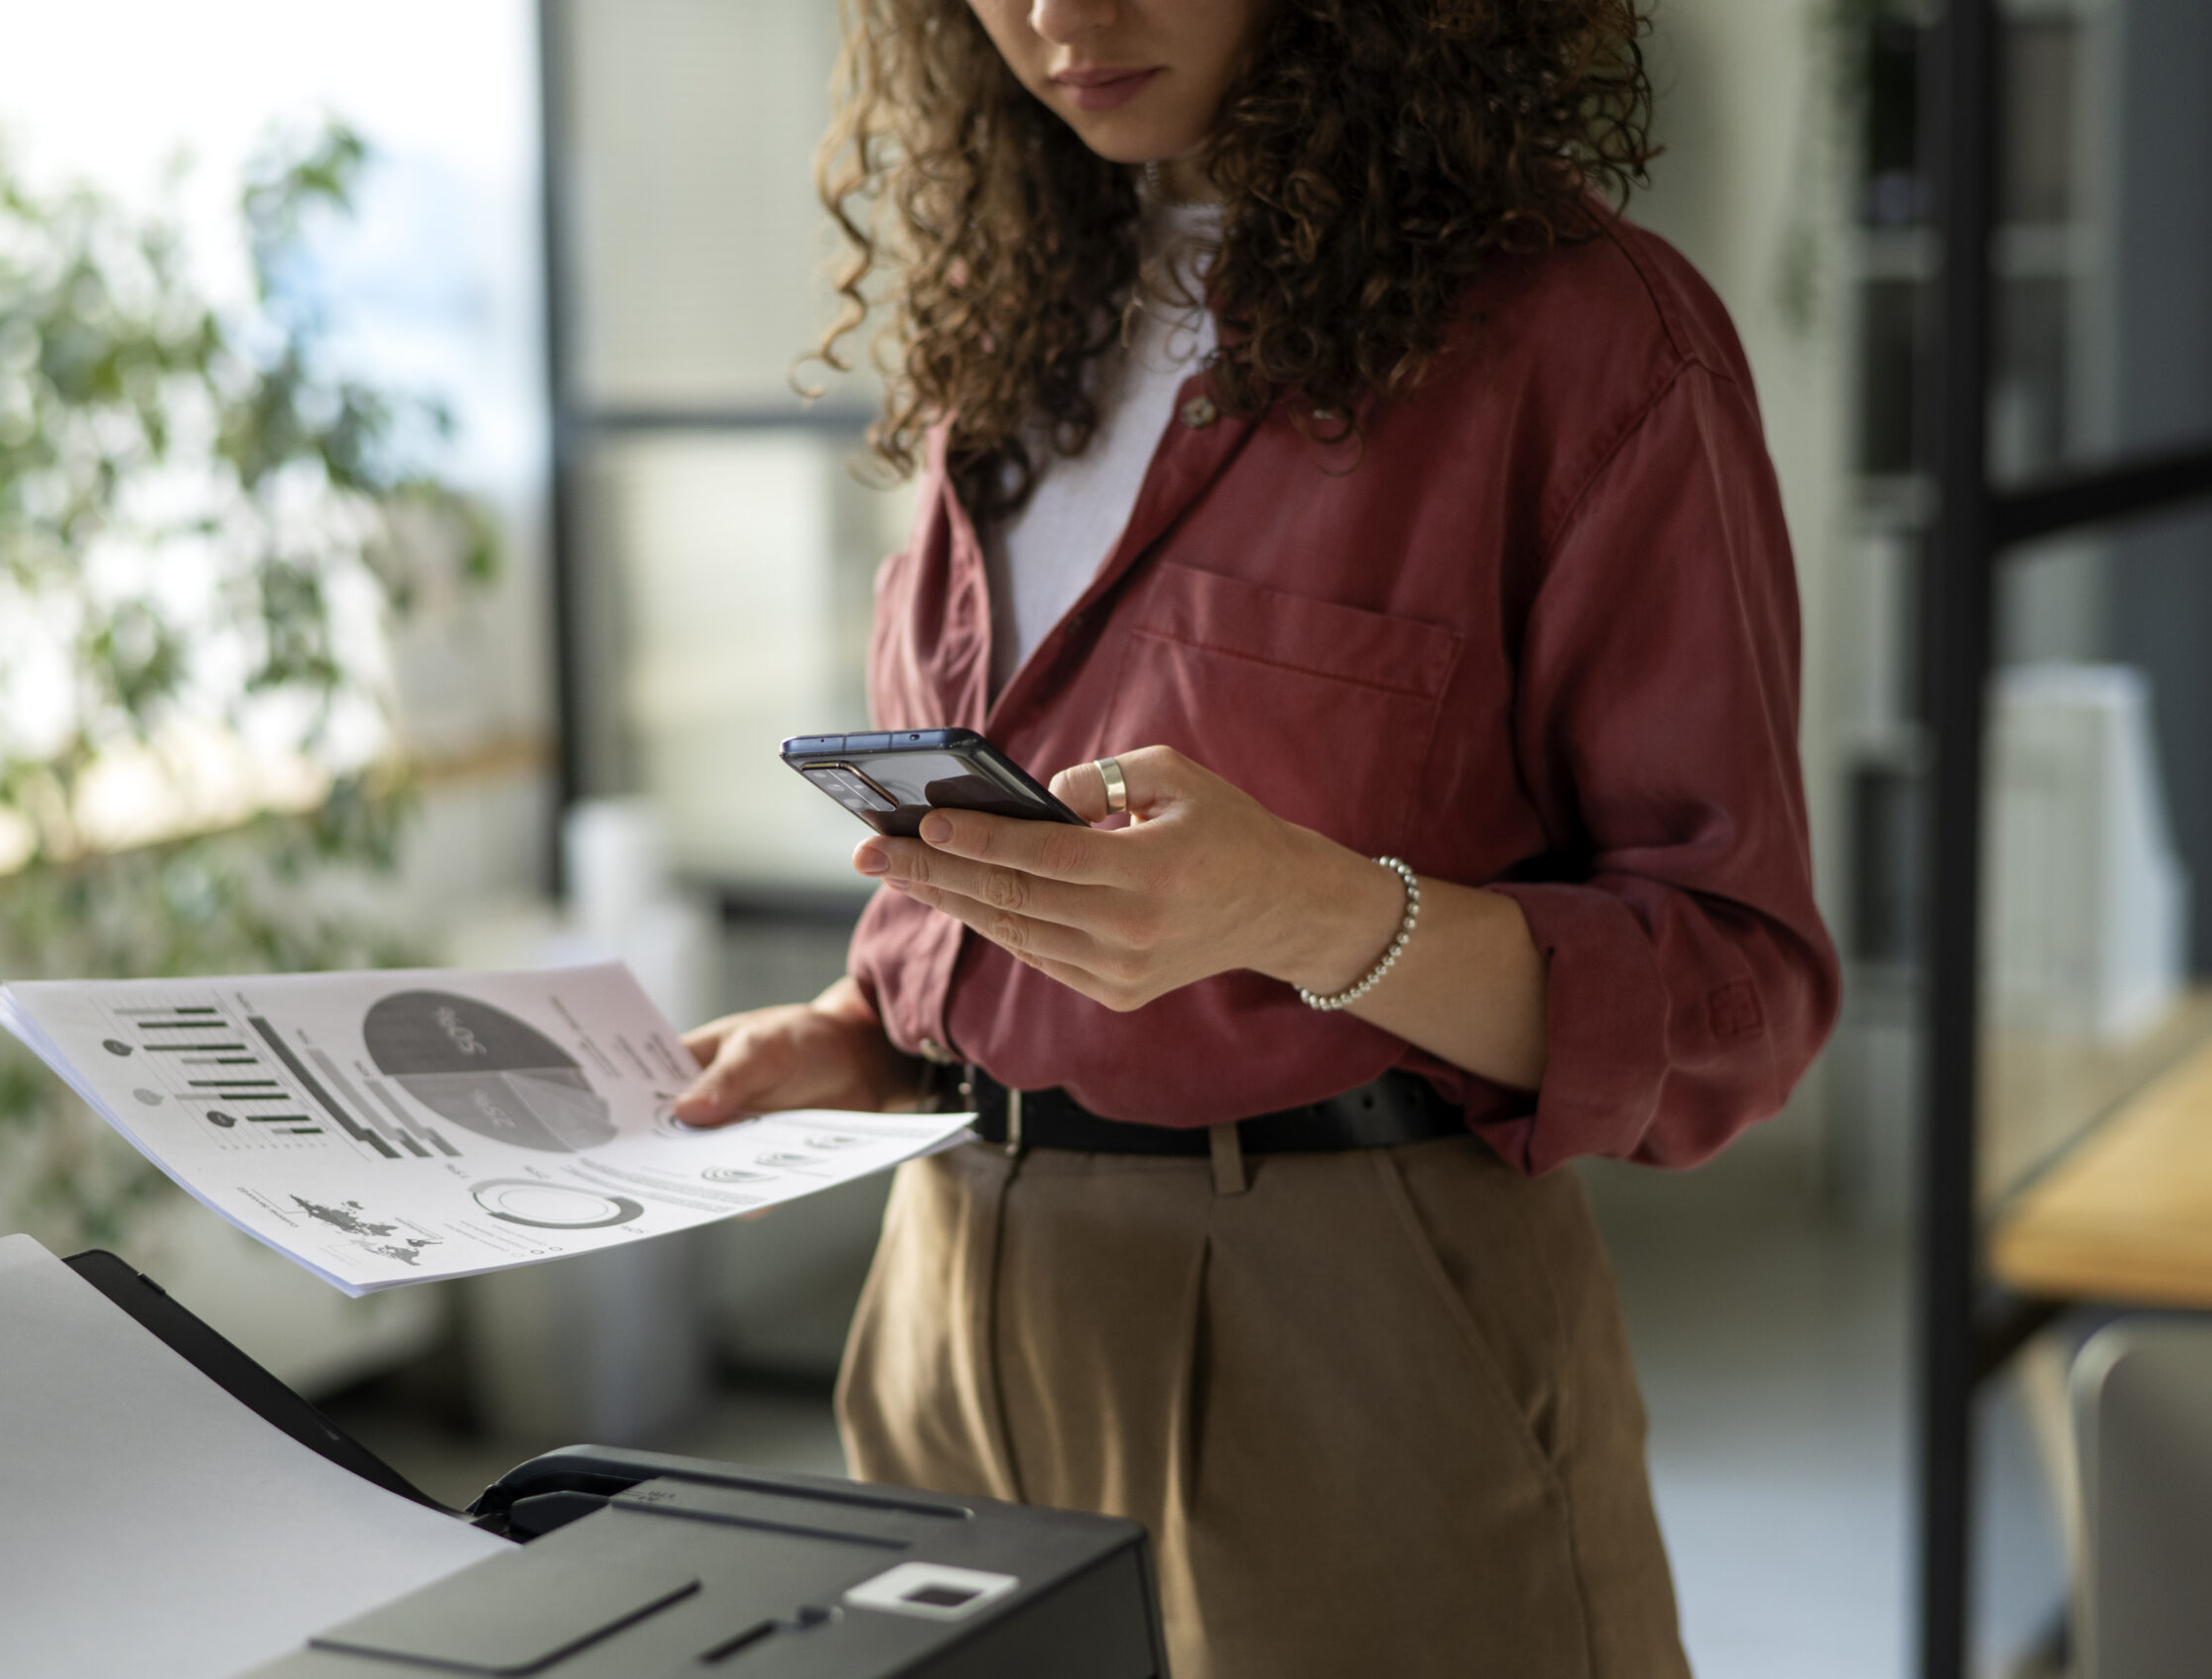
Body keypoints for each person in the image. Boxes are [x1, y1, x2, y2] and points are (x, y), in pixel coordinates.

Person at [674, 0, 1842, 1673]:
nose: (1062, 14)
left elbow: (1738, 992)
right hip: (944, 1317)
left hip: (1351, 1345)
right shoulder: (1020, 325)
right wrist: (870, 1037)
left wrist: (1320, 916)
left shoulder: (1586, 345)